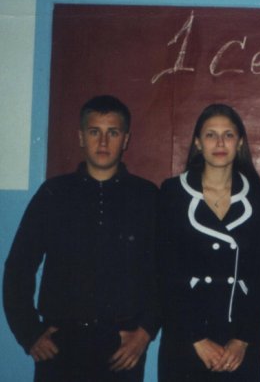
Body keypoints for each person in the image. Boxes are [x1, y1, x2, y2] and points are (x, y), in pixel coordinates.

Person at [3, 95, 160, 382]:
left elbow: (164, 272)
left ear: (125, 139)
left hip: (122, 348)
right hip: (60, 346)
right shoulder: (54, 194)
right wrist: (30, 333)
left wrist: (145, 333)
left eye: (113, 132)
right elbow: (18, 268)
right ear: (80, 137)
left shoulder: (147, 197)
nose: (103, 142)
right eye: (94, 131)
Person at [157, 103, 260, 382]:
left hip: (239, 342)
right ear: (198, 143)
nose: (220, 143)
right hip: (186, 338)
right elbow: (163, 272)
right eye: (211, 135)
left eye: (228, 135)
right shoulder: (172, 193)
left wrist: (243, 340)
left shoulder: (258, 196)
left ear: (240, 142)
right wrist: (196, 339)